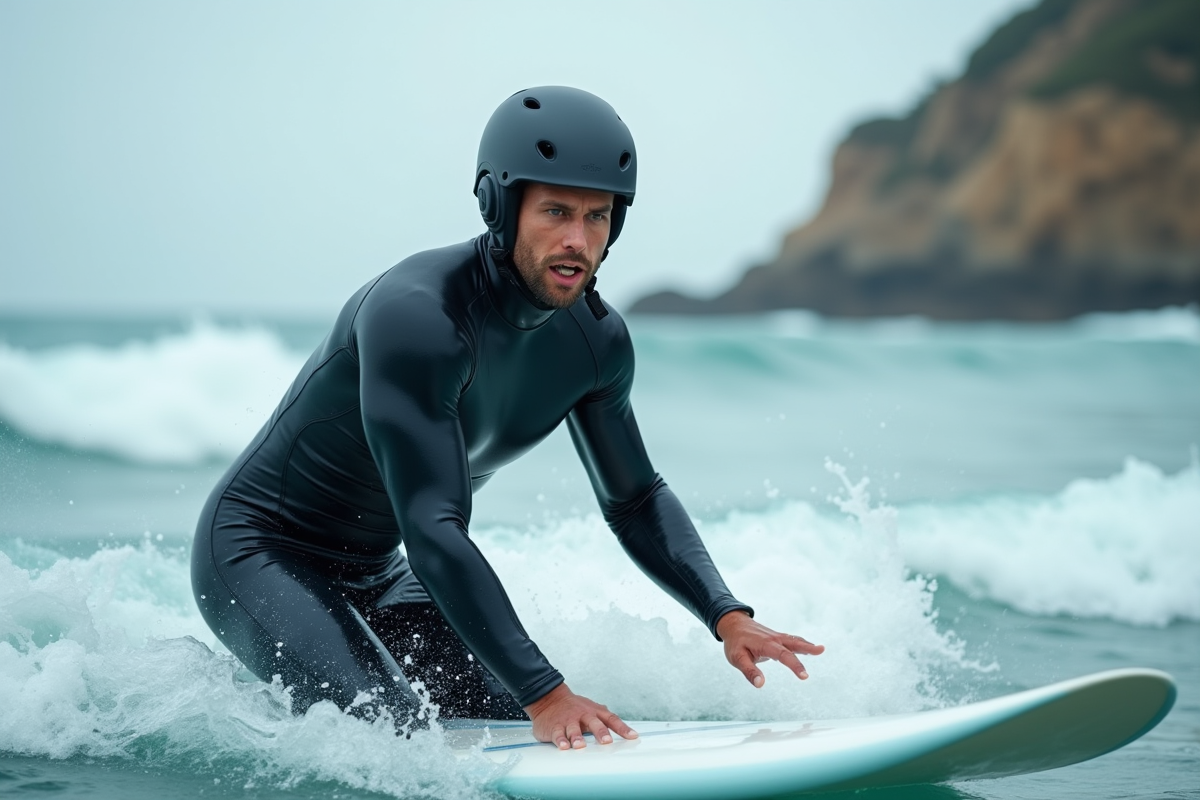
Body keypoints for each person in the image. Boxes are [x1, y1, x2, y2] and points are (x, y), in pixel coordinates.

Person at [191, 86, 823, 750]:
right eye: (555, 211)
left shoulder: (596, 344)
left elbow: (635, 499)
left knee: (498, 722)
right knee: (397, 740)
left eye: (598, 216)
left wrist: (725, 614)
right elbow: (433, 526)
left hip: (381, 572)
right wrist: (547, 694)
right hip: (259, 552)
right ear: (499, 205)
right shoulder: (418, 318)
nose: (578, 240)